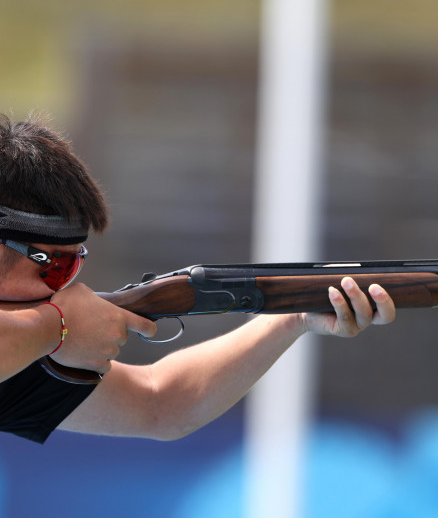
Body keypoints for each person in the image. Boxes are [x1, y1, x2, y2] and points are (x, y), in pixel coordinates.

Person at [0, 112, 395, 443]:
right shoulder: (44, 332)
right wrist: (60, 325)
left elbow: (159, 403)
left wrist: (291, 316)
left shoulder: (20, 355)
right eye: (54, 266)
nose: (63, 287)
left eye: (73, 265)